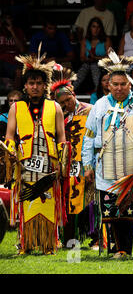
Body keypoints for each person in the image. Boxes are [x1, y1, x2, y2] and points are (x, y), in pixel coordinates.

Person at [81, 51, 133, 258]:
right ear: (108, 85)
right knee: (111, 209)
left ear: (130, 84)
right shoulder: (100, 106)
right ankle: (118, 249)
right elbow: (88, 137)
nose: (119, 88)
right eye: (115, 84)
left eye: (123, 84)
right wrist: (87, 166)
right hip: (106, 167)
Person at [5, 53, 68, 254]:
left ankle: (49, 243)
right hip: (24, 163)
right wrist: (10, 157)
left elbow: (61, 138)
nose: (35, 87)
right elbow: (10, 137)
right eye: (31, 83)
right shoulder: (17, 107)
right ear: (25, 86)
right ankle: (27, 243)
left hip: (48, 163)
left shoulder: (55, 107)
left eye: (39, 83)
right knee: (27, 202)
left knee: (48, 202)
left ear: (45, 86)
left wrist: (61, 162)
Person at [50, 68, 96, 247]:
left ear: (74, 94)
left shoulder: (90, 110)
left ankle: (96, 238)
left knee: (90, 200)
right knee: (67, 200)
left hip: (87, 163)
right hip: (67, 164)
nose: (67, 104)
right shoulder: (58, 116)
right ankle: (69, 239)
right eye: (62, 102)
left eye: (69, 99)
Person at [75, 17, 112, 92]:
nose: (96, 29)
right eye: (94, 26)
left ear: (101, 29)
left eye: (98, 27)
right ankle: (72, 88)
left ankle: (97, 89)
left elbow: (110, 57)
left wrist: (95, 58)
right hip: (88, 64)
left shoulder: (106, 40)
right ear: (90, 28)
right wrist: (89, 59)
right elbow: (82, 58)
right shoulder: (85, 40)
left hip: (103, 66)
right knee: (87, 66)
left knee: (94, 65)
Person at [0, 11, 26, 92]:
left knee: (19, 72)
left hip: (14, 62)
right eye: (5, 19)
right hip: (1, 61)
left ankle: (15, 97)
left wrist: (12, 32)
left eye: (9, 18)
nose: (7, 21)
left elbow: (22, 50)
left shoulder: (18, 31)